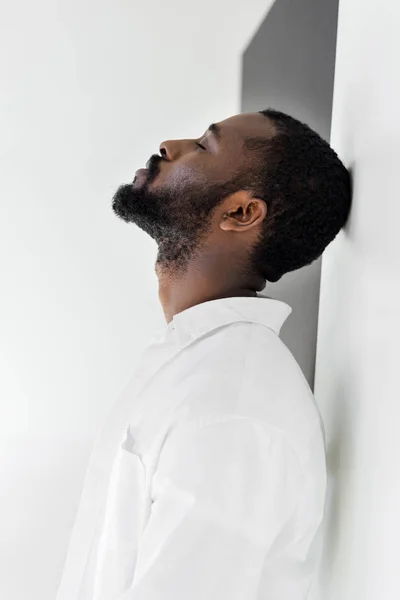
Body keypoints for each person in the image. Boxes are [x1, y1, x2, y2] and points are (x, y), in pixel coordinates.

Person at [56, 109, 351, 600]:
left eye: (203, 145)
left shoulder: (232, 406)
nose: (169, 144)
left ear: (241, 213)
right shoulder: (202, 368)